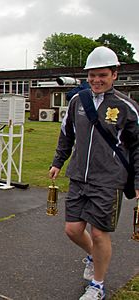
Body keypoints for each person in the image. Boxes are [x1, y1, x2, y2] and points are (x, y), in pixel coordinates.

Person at [49, 46, 139, 300]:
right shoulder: (78, 101)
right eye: (92, 75)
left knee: (100, 233)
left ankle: (97, 285)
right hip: (78, 176)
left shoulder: (126, 107)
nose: (96, 80)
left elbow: (137, 147)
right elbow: (66, 135)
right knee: (72, 230)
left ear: (114, 74)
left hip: (109, 181)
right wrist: (58, 162)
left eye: (102, 75)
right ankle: (94, 257)